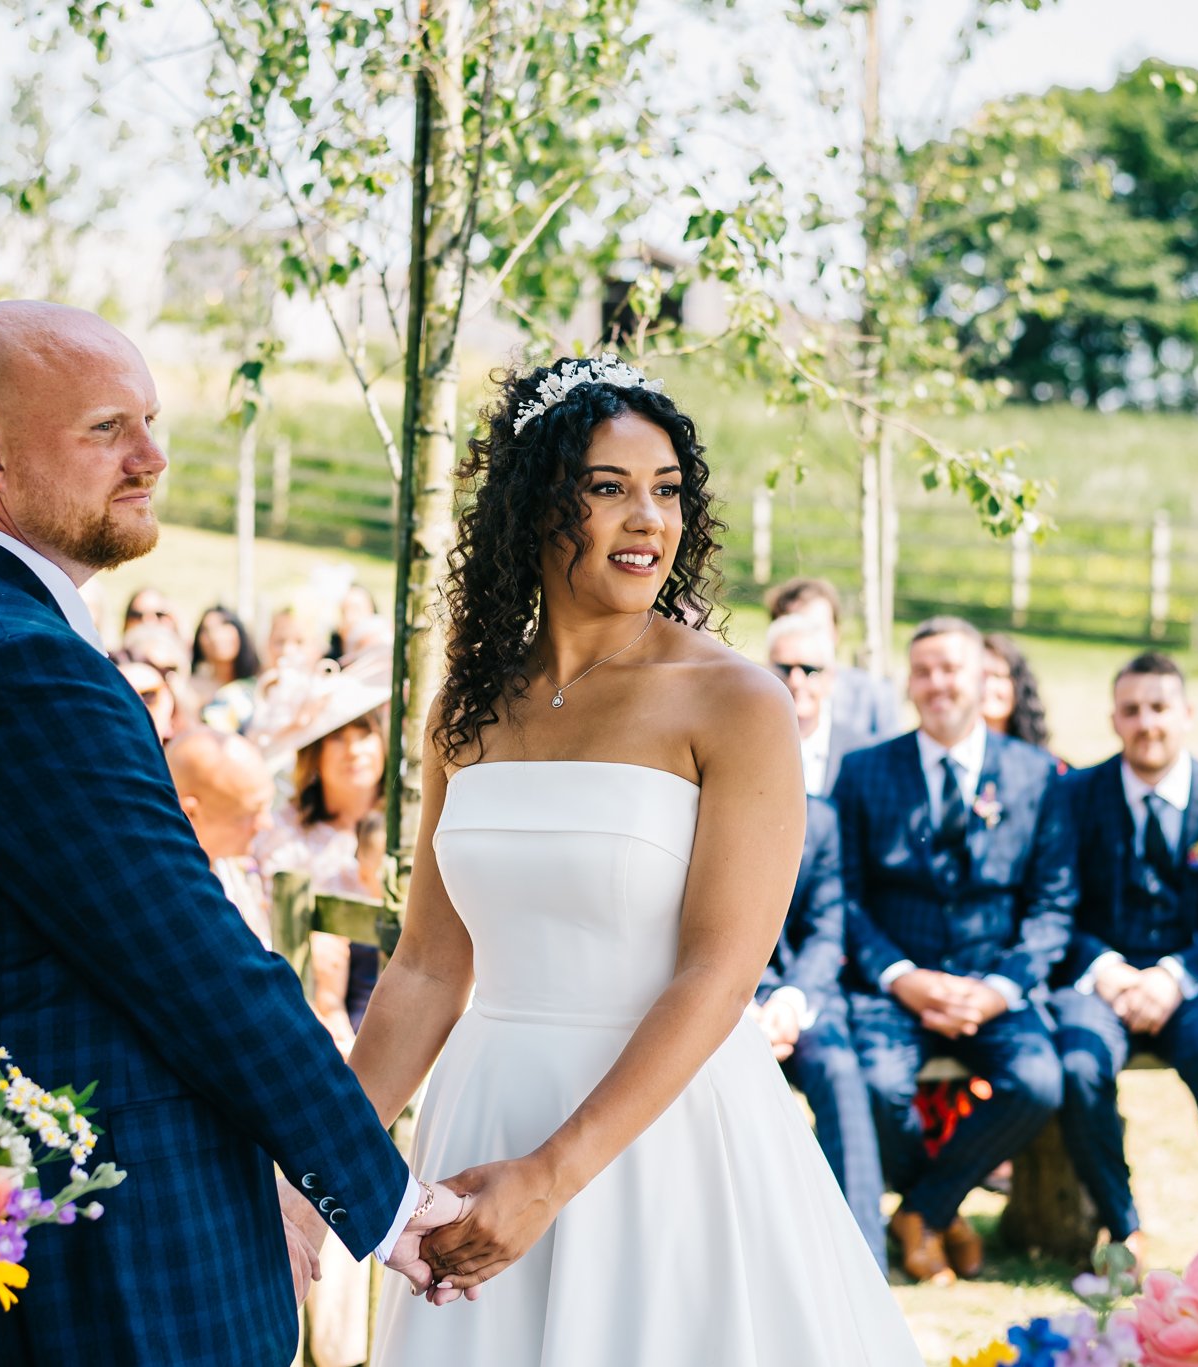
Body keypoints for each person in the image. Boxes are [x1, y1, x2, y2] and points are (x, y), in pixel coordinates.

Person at [0, 301, 464, 1367]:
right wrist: (385, 1202)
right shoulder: (17, 665)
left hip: (15, 1253)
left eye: (150, 422)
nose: (151, 457)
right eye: (106, 428)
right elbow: (197, 961)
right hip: (116, 1279)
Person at [350, 355, 922, 1365]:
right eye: (607, 488)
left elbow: (720, 968)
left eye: (665, 491)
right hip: (483, 1107)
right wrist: (324, 1172)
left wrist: (552, 1172)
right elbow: (428, 967)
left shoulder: (736, 703)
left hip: (665, 1132)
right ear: (534, 507)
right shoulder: (465, 708)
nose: (647, 519)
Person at [834, 616, 1074, 1285]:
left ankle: (921, 1209)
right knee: (877, 1085)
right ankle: (943, 1213)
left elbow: (1053, 907)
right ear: (909, 683)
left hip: (994, 986)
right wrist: (901, 975)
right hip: (895, 986)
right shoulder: (864, 773)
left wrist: (1000, 988)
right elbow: (845, 897)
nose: (937, 683)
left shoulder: (1035, 776)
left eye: (951, 669)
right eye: (924, 670)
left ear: (980, 678)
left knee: (1039, 1080)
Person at [1049, 652, 1198, 1270]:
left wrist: (1174, 975)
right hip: (1099, 980)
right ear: (1114, 719)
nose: (1147, 723)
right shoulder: (1074, 796)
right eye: (1132, 710)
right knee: (1079, 1062)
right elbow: (1053, 905)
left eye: (1160, 708)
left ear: (1188, 715)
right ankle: (1124, 1230)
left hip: (1194, 979)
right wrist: (1108, 971)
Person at [749, 793, 887, 1270]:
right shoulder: (689, 802)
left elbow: (827, 931)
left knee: (840, 1069)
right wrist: (737, 1005)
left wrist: (791, 1000)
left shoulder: (821, 817)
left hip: (799, 992)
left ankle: (864, 1265)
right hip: (711, 992)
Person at [255, 686, 391, 1048]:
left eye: (364, 734)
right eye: (337, 738)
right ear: (314, 753)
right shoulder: (283, 832)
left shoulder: (409, 823)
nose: (354, 750)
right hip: (313, 1001)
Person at [165, 726, 276, 948]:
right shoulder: (175, 899)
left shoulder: (231, 864)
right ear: (191, 814)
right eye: (250, 812)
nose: (266, 824)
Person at [765, 575, 901, 742]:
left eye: (816, 627)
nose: (807, 637)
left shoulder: (873, 696)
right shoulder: (759, 695)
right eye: (795, 626)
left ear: (836, 632)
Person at [769, 613, 870, 799]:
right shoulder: (746, 744)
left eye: (809, 670)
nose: (796, 681)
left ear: (830, 678)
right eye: (784, 668)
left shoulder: (862, 752)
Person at [192, 604, 261, 733]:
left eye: (224, 625)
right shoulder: (191, 688)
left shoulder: (260, 684)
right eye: (206, 630)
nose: (216, 635)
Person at [981, 632, 1054, 752]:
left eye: (998, 676)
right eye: (981, 676)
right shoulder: (951, 760)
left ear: (1018, 685)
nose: (987, 686)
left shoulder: (1042, 762)